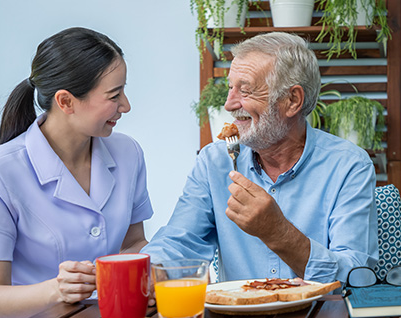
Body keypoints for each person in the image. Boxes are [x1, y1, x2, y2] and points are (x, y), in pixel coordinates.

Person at [0, 27, 153, 318]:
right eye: (114, 96)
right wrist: (56, 290)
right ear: (66, 101)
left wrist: (160, 265)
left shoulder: (128, 154)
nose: (126, 105)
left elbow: (132, 244)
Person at [142, 32, 377, 284]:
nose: (229, 104)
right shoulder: (215, 161)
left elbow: (357, 276)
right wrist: (143, 271)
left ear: (292, 100)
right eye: (230, 88)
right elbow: (179, 243)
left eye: (245, 91)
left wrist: (277, 232)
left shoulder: (349, 165)